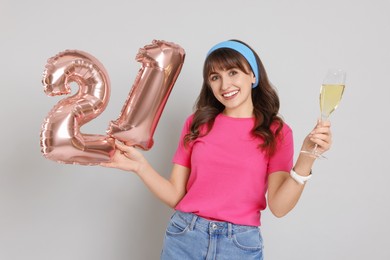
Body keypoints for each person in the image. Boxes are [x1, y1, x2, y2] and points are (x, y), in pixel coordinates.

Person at [101, 39, 332, 259]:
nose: (224, 85)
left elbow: (279, 207)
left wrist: (307, 156)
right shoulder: (197, 124)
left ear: (253, 75)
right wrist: (140, 166)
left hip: (239, 245)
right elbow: (176, 194)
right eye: (215, 77)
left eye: (233, 73)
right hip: (184, 237)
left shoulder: (276, 131)